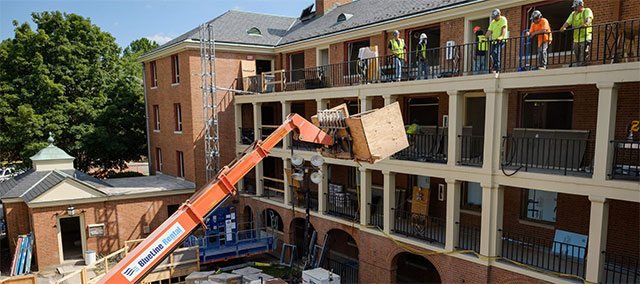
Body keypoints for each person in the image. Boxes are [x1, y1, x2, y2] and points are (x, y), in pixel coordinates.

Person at [560, 0, 593, 66]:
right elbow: (568, 22)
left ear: (581, 5)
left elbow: (589, 19)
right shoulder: (573, 14)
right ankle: (579, 65)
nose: (574, 9)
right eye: (574, 7)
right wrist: (563, 27)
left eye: (576, 7)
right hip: (576, 38)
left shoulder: (587, 11)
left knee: (584, 52)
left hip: (585, 36)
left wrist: (586, 24)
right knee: (576, 52)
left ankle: (583, 64)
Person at [486, 8, 508, 73]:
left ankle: (497, 68)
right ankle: (495, 67)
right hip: (494, 40)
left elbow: (503, 28)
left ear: (499, 15)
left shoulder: (503, 19)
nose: (494, 18)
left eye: (495, 17)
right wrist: (485, 38)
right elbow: (489, 31)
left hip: (501, 40)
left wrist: (501, 36)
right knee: (493, 53)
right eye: (494, 17)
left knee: (496, 52)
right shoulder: (493, 22)